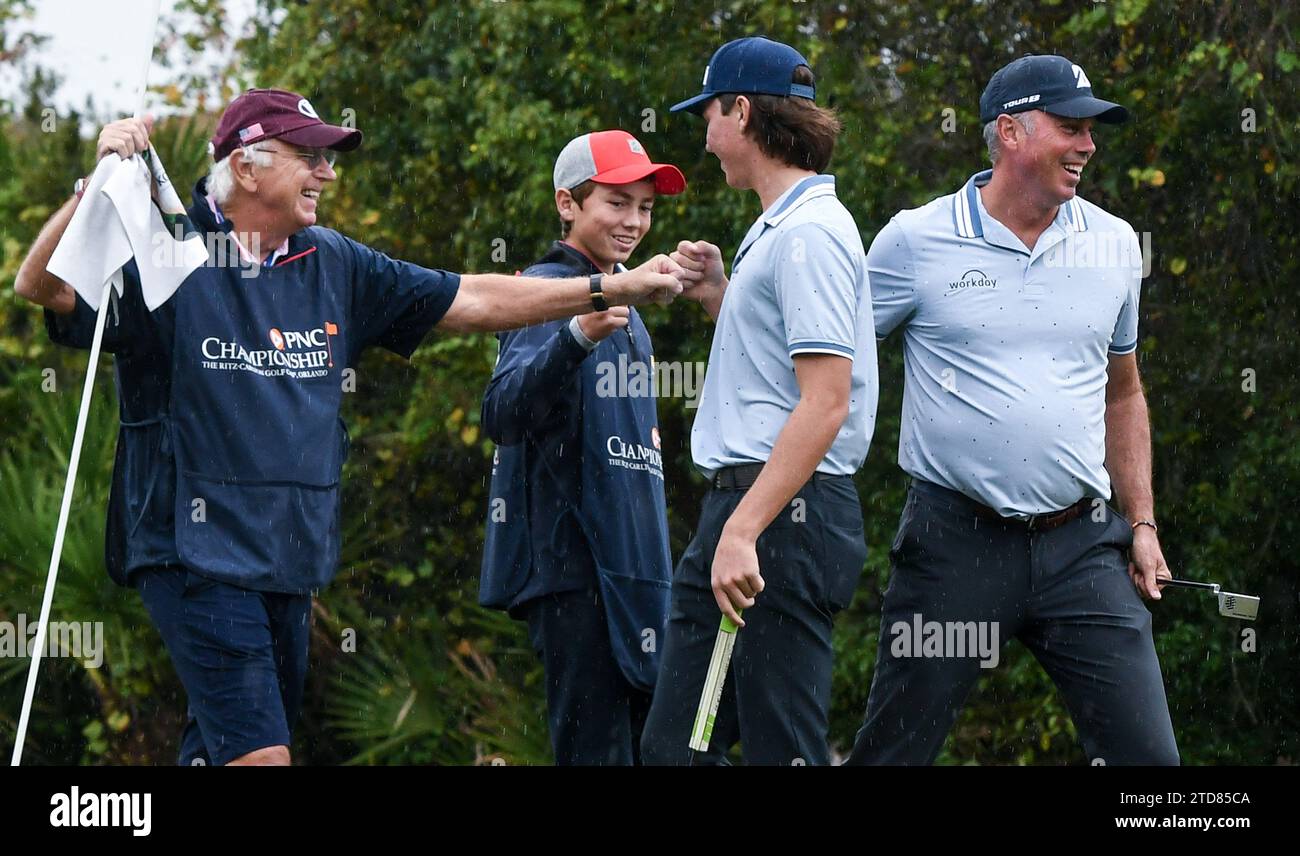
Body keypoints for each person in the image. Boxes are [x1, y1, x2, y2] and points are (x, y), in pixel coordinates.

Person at [13, 88, 681, 767]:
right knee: (262, 758)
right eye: (311, 157)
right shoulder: (171, 252)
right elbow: (44, 287)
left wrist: (608, 289)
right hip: (192, 555)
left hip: (289, 559)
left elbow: (475, 296)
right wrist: (89, 186)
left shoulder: (335, 260)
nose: (329, 174)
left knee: (218, 751)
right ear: (246, 167)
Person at [846, 55, 1179, 765]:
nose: (1088, 145)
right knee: (893, 755)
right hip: (954, 544)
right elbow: (826, 357)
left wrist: (1142, 523)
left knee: (1150, 764)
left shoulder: (1115, 244)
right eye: (1070, 127)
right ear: (1010, 132)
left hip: (1083, 546)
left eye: (1091, 129)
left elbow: (1124, 391)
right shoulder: (914, 241)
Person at [638, 37, 878, 765]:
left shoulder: (808, 235)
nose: (705, 138)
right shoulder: (781, 228)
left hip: (777, 522)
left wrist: (741, 532)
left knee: (777, 750)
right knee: (685, 747)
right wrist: (721, 295)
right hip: (762, 515)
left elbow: (825, 403)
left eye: (708, 114)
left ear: (740, 112)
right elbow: (778, 377)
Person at [479, 129, 686, 765]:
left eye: (645, 207)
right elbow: (502, 412)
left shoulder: (629, 299)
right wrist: (575, 334)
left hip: (636, 572)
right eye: (616, 203)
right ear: (568, 203)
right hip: (575, 571)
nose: (633, 222)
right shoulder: (546, 289)